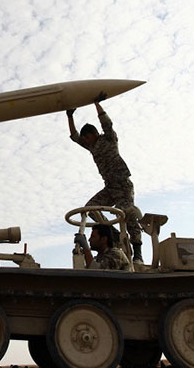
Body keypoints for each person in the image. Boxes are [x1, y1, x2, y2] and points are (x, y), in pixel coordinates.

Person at [67, 92, 144, 263]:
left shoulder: (109, 139)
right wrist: (70, 116)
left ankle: (137, 252)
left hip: (123, 184)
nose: (87, 140)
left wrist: (96, 103)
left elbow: (106, 123)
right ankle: (113, 234)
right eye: (86, 139)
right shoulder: (91, 146)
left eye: (88, 137)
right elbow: (74, 136)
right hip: (110, 187)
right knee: (90, 208)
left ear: (94, 133)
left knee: (128, 214)